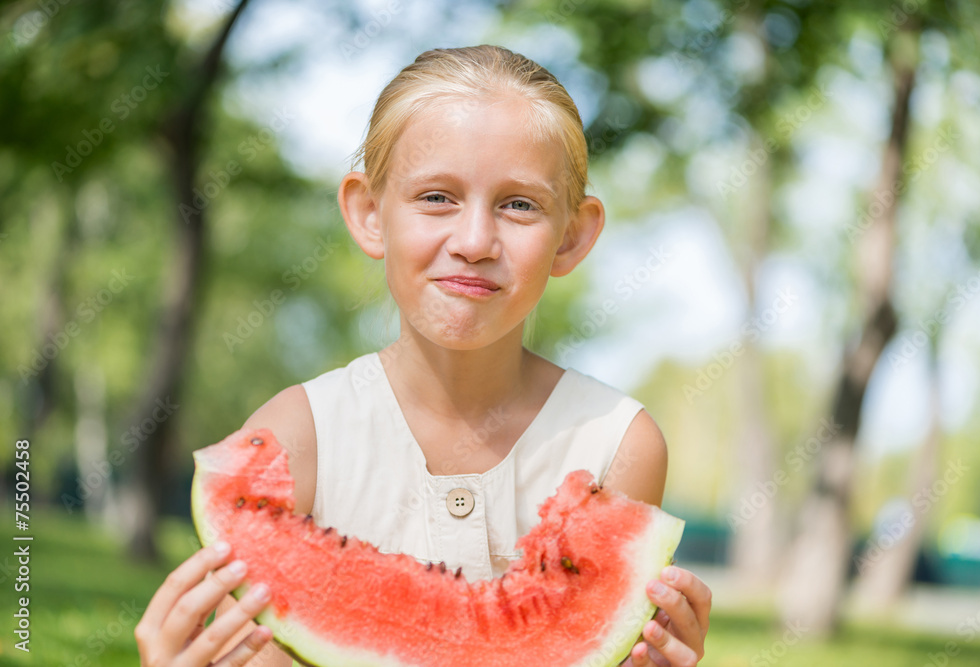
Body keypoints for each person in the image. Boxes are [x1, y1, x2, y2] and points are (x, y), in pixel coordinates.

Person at [136, 45, 711, 667]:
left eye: (519, 205)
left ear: (571, 236)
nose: (473, 241)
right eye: (437, 197)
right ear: (368, 213)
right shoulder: (295, 437)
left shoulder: (617, 443)